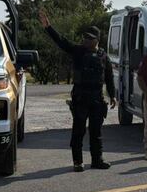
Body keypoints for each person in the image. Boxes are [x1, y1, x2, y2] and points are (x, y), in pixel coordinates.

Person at [39, 10, 116, 172]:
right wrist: (48, 27)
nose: (86, 40)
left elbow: (109, 77)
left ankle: (97, 160)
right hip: (81, 98)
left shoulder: (103, 56)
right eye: (85, 38)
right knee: (78, 131)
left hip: (97, 99)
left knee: (96, 132)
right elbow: (62, 42)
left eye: (90, 38)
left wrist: (113, 95)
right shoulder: (78, 51)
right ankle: (78, 162)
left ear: (97, 40)